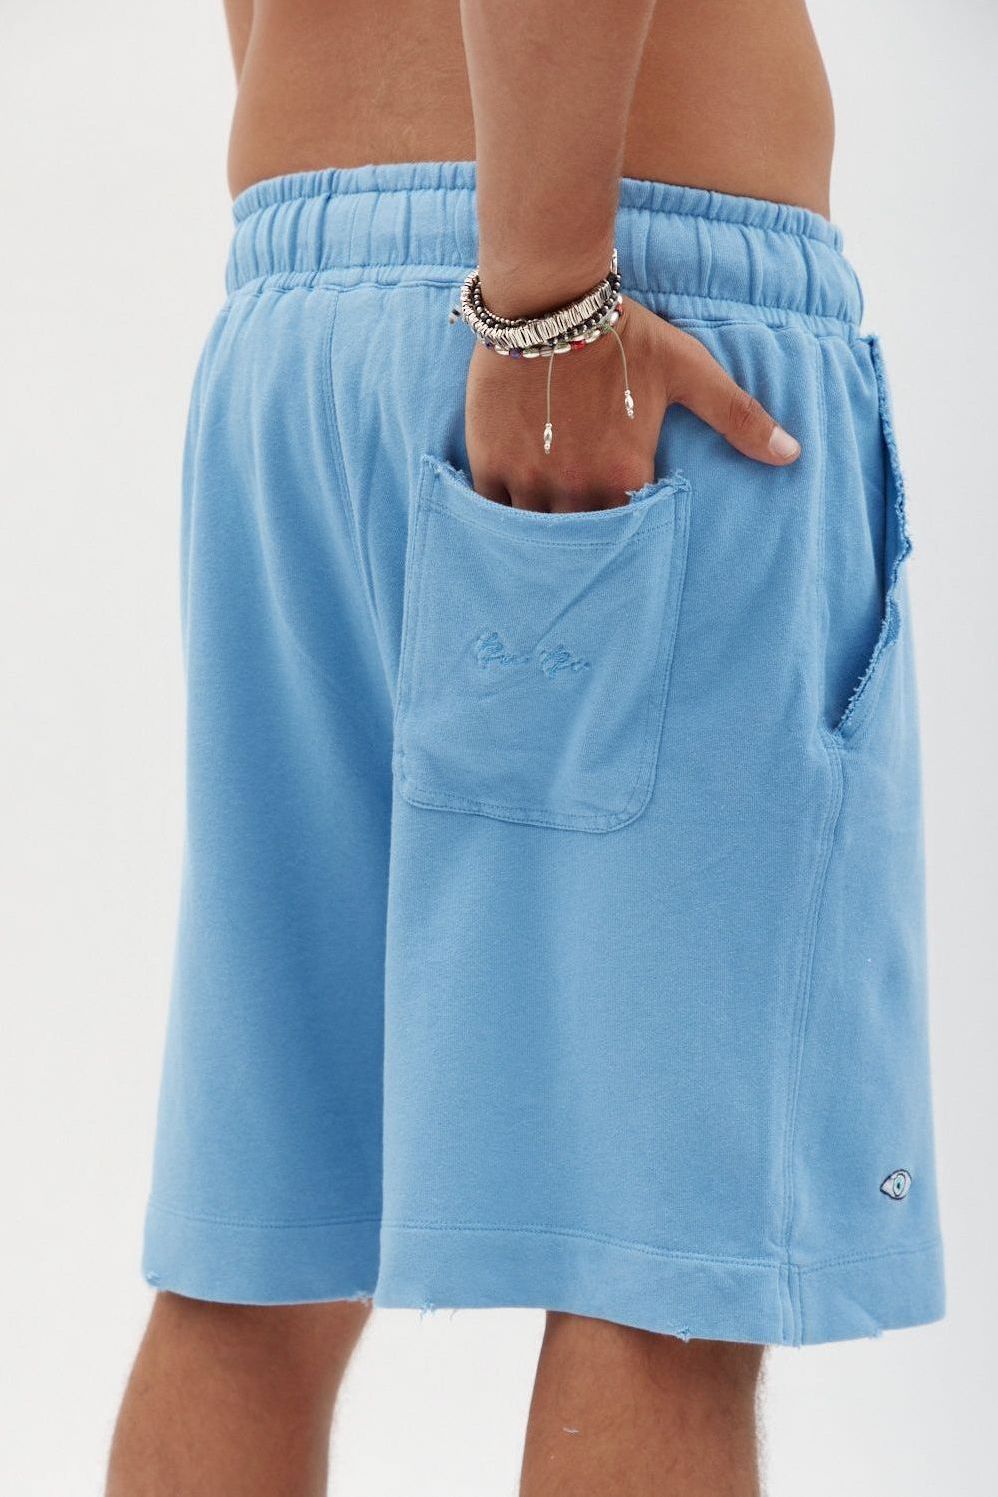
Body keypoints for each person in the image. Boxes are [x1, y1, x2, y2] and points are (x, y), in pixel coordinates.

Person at [106, 2, 945, 1493]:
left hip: (302, 319)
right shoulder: (558, 303)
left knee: (265, 1246)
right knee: (658, 1266)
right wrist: (546, 296)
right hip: (612, 306)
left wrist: (418, 280)